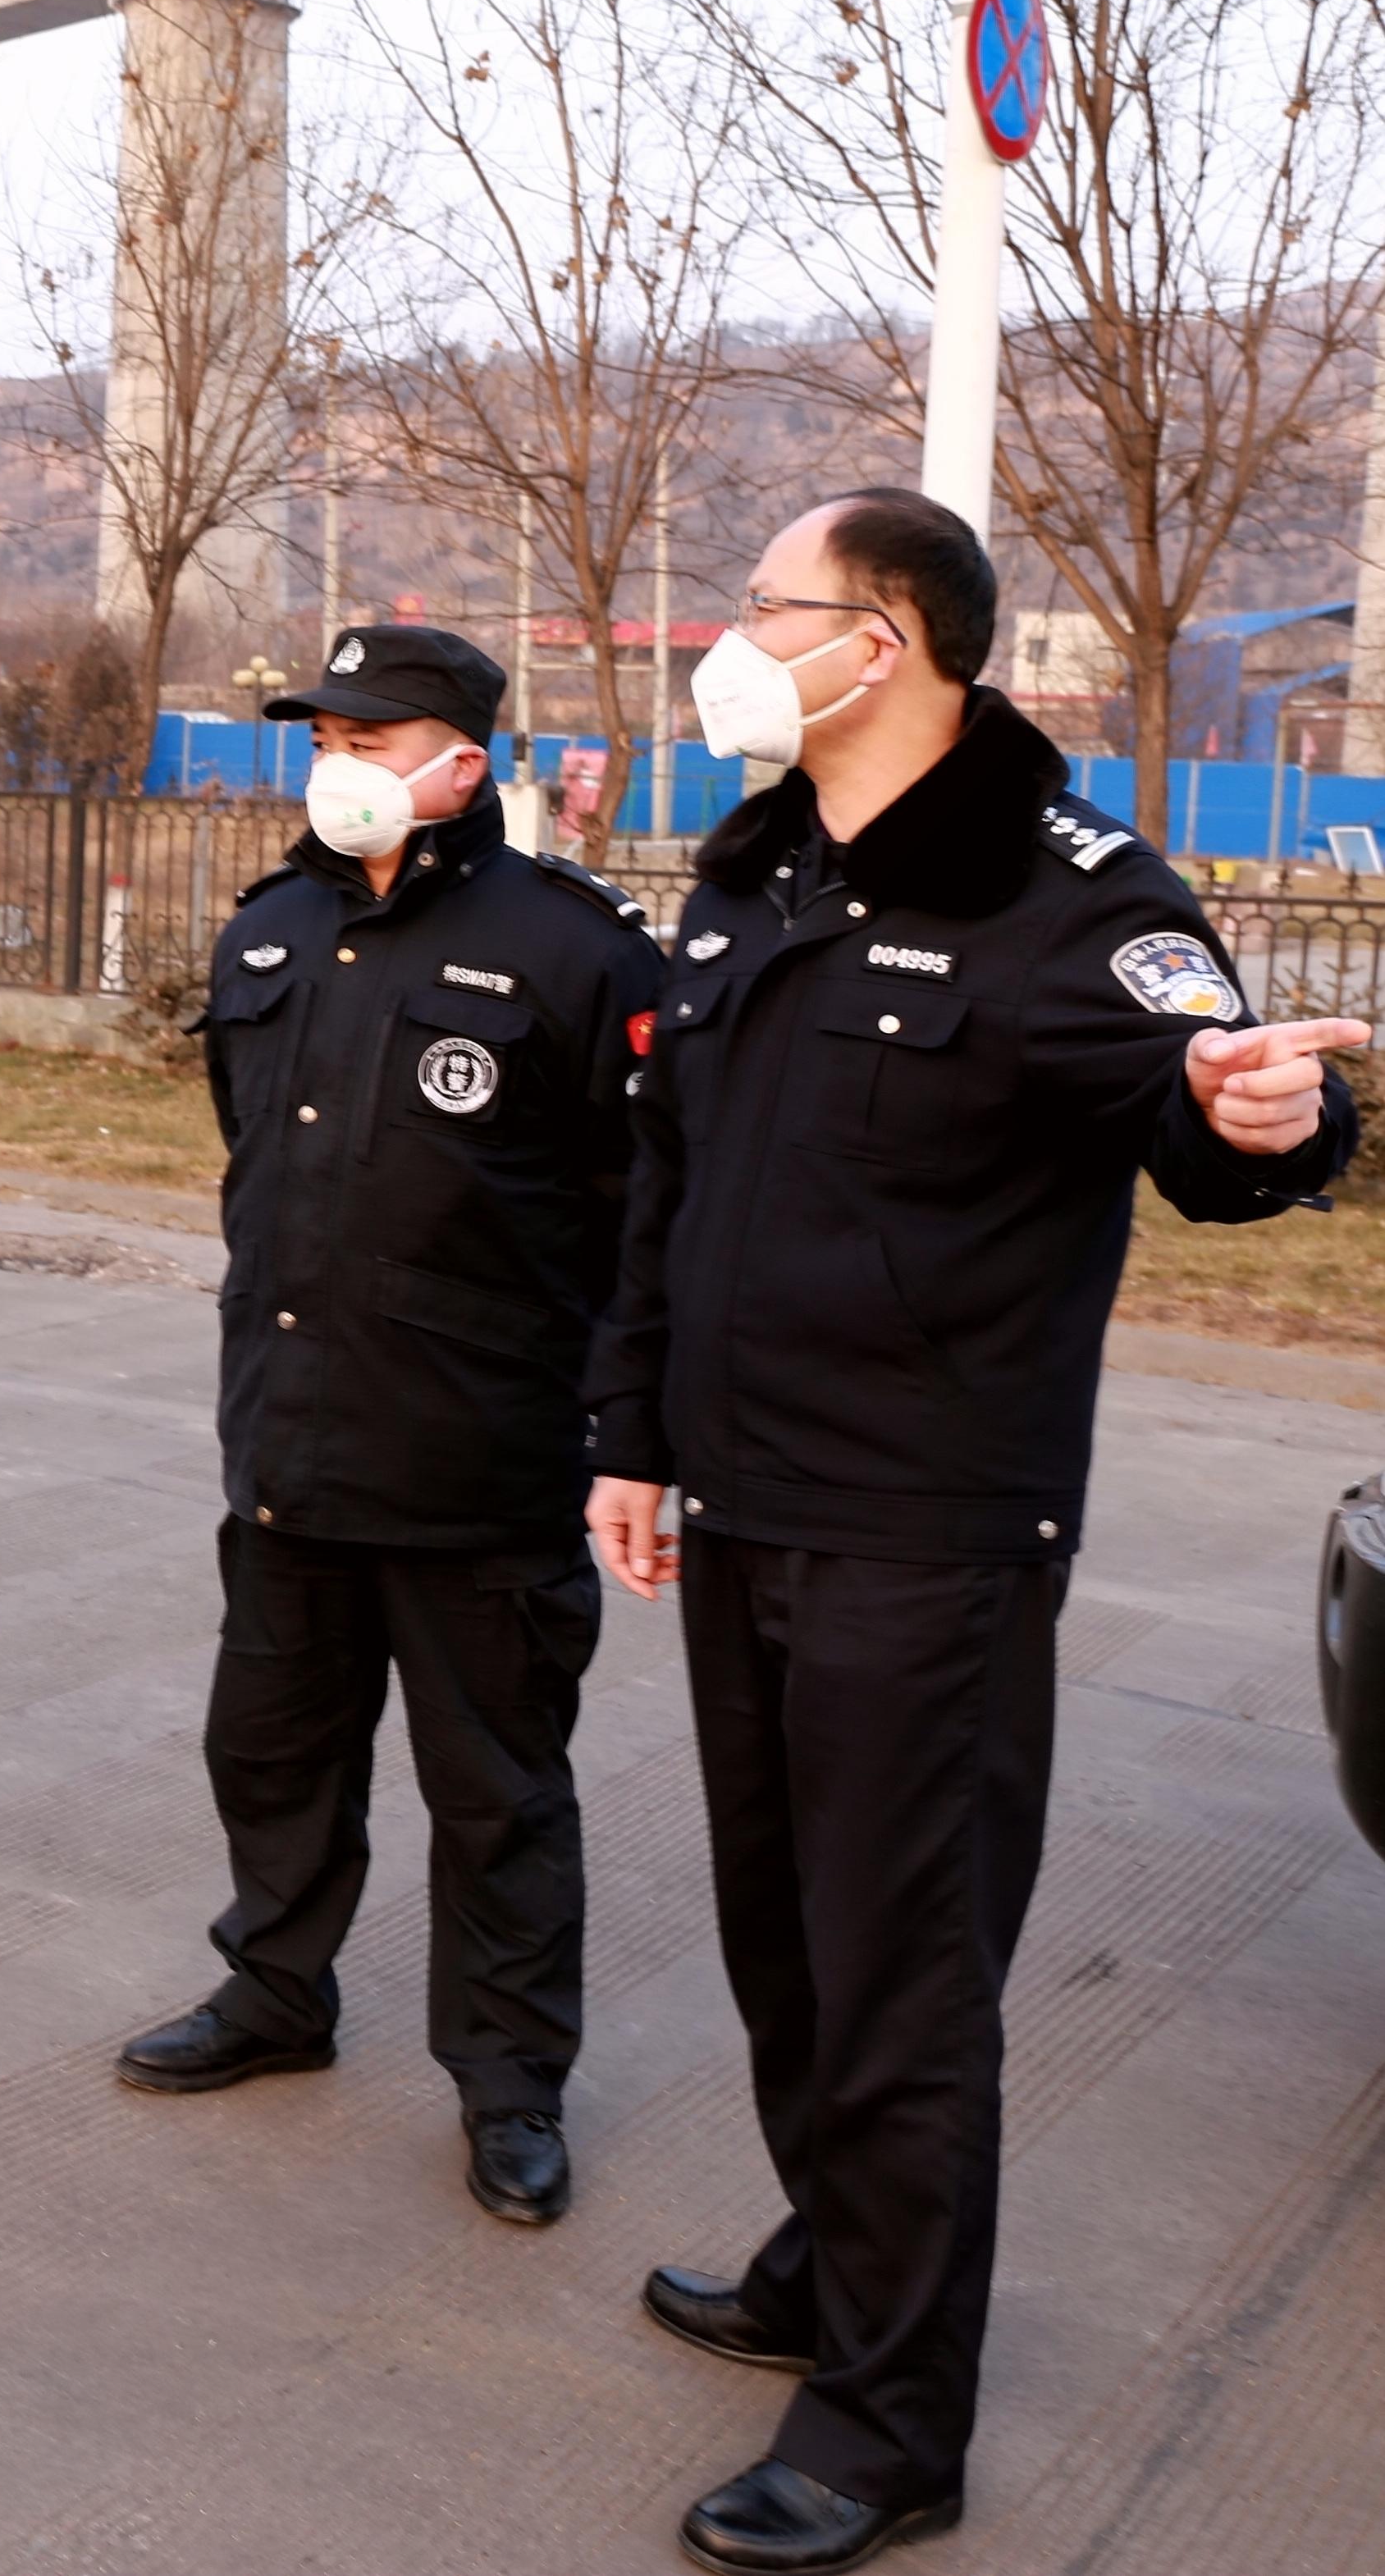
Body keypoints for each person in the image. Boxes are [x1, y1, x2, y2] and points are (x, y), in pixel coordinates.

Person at [583, 488, 1364, 2574]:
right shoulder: (752, 868)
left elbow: (1222, 1110)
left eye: (766, 608)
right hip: (734, 1495)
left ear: (893, 640)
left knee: (900, 1973)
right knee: (779, 1939)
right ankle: (829, 2266)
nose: (722, 645)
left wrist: (1280, 1120)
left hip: (927, 1526)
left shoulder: (1063, 888)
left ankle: (888, 2423)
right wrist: (629, 1433)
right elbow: (671, 1178)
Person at [115, 625, 661, 2234]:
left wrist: (628, 1429)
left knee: (496, 1794)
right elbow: (260, 1165)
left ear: (462, 762)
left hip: (480, 1461)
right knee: (271, 1748)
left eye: (373, 736)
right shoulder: (273, 925)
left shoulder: (576, 950)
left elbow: (643, 1221)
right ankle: (274, 1989)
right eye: (323, 735)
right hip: (289, 1438)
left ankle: (508, 2081)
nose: (336, 763)